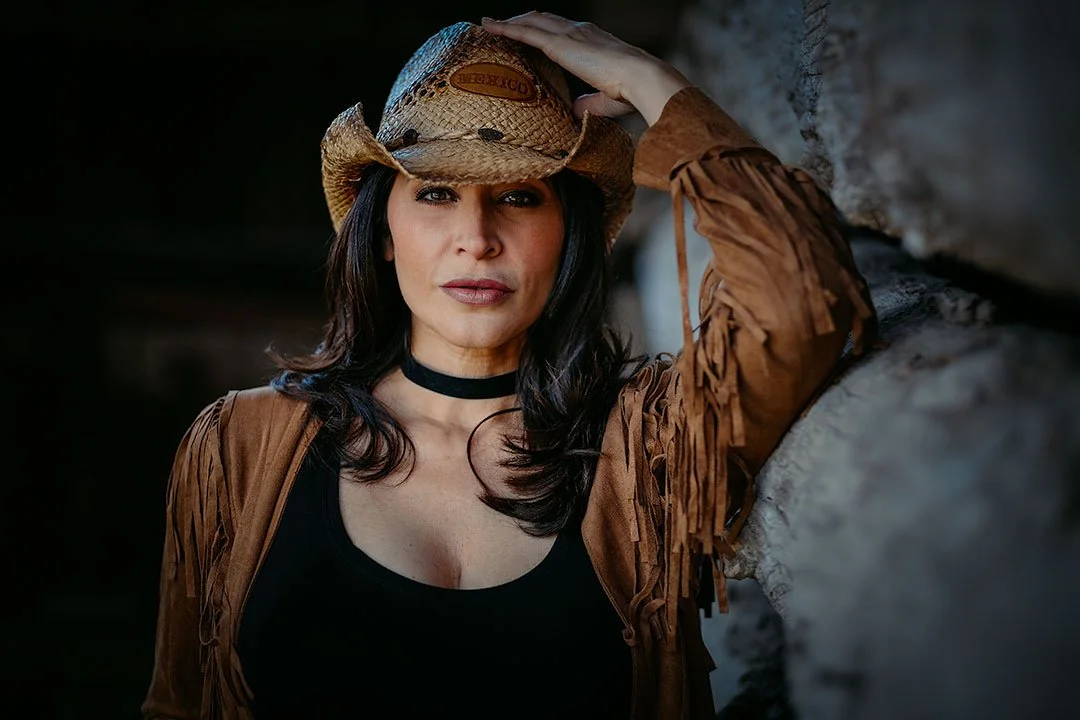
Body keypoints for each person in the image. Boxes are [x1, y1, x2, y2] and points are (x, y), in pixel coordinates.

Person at [141, 11, 876, 720]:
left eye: (520, 196)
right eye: (435, 192)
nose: (477, 237)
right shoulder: (240, 447)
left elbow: (801, 299)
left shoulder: (651, 447)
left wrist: (654, 86)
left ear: (569, 231)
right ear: (383, 229)